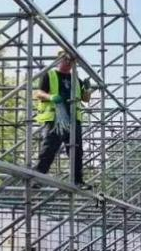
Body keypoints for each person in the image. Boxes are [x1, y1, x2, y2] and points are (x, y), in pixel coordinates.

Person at [33, 49, 92, 188]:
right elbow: (39, 93)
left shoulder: (75, 79)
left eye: (71, 60)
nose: (68, 62)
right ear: (59, 60)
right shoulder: (50, 74)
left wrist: (88, 89)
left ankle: (77, 181)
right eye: (65, 59)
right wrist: (51, 97)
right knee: (49, 148)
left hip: (73, 119)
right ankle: (38, 178)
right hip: (55, 118)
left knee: (76, 151)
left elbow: (85, 99)